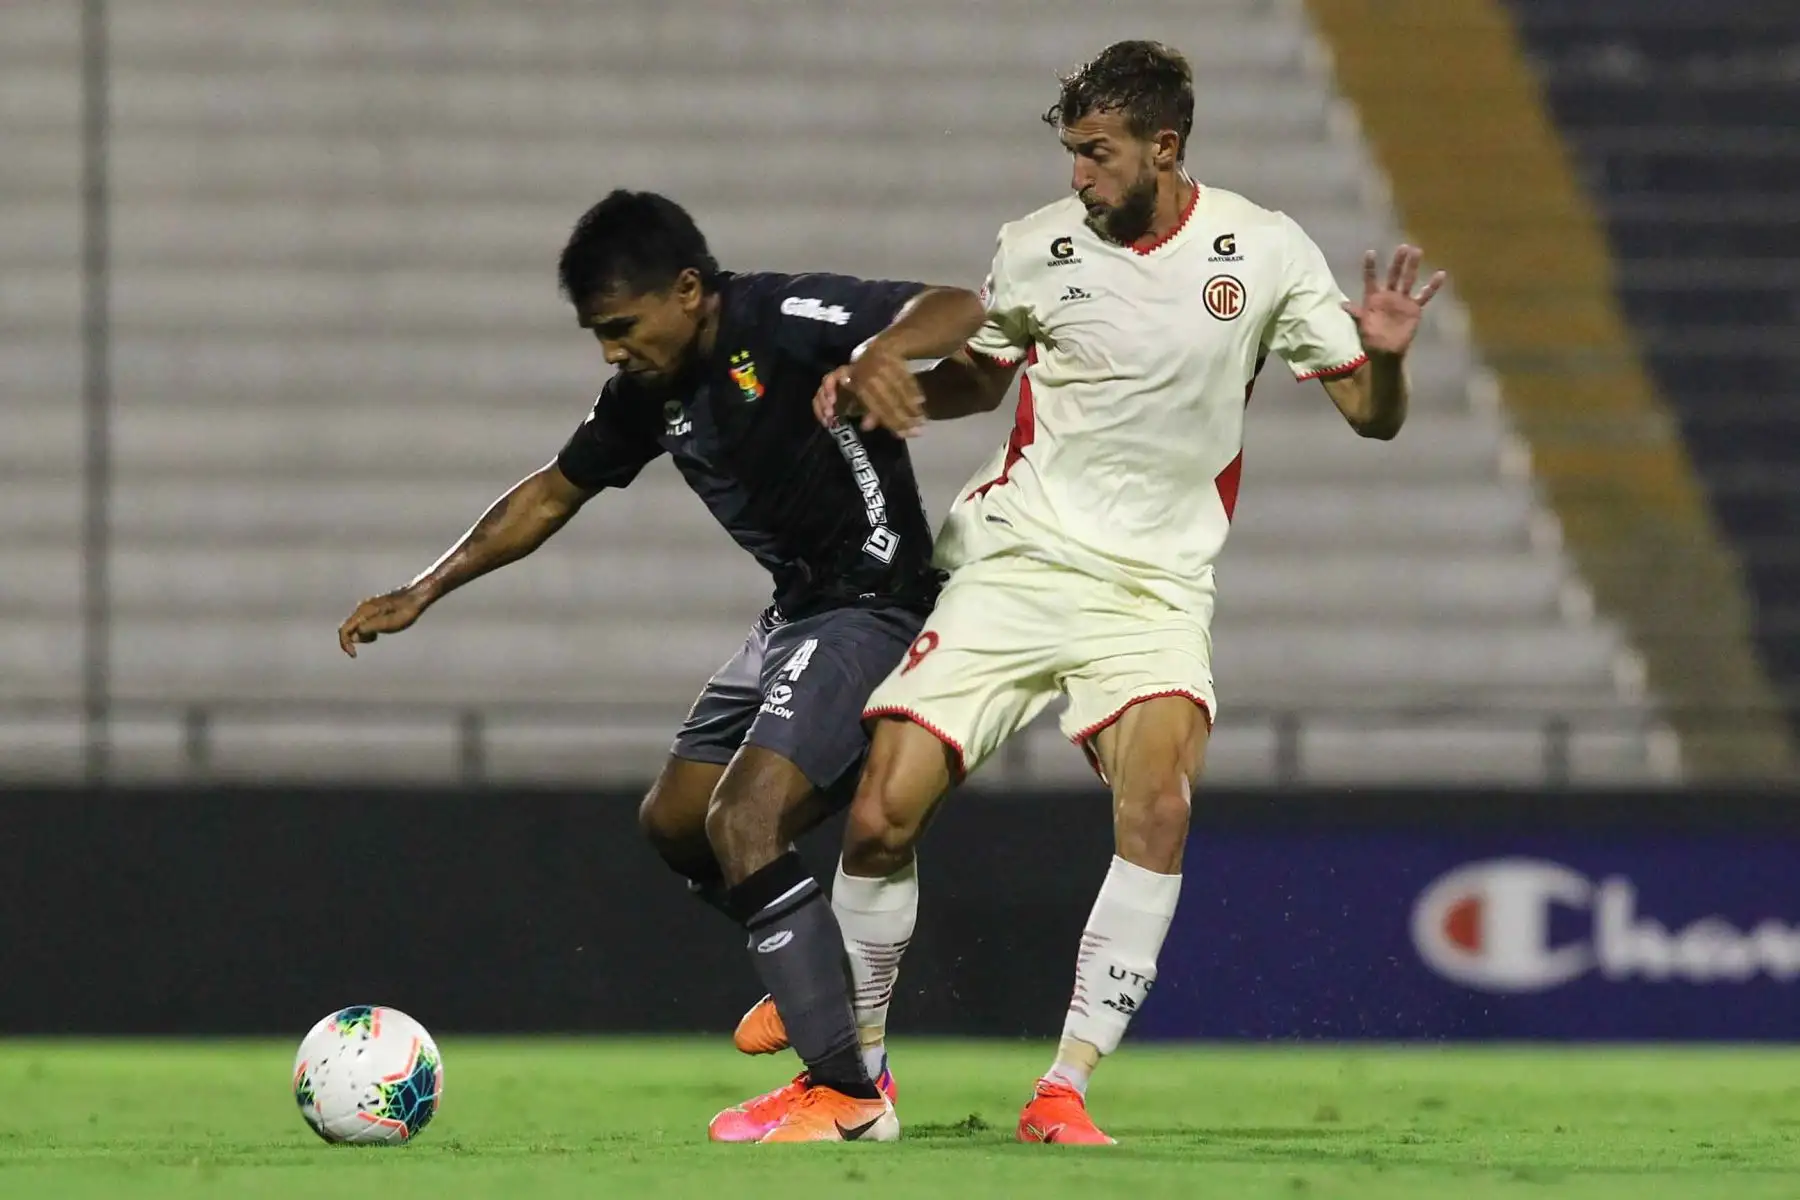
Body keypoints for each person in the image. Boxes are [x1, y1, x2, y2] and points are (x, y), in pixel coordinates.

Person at [723, 40, 1448, 1144]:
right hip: (1015, 563)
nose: (1079, 176)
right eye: (1071, 154)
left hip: (1152, 589)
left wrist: (1385, 356)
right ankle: (857, 1083)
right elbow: (987, 371)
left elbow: (1372, 415)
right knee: (879, 815)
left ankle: (1062, 1088)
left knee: (1158, 806)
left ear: (1166, 146)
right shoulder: (1036, 246)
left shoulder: (1262, 250)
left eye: (1098, 154)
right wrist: (893, 390)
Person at [337, 189, 988, 1144]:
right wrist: (426, 589)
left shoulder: (781, 317)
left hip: (871, 604)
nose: (610, 350)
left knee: (744, 816)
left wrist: (884, 352)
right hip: (796, 612)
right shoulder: (648, 392)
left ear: (688, 290)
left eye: (620, 327)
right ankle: (819, 974)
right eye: (598, 333)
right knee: (678, 822)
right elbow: (554, 492)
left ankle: (849, 1095)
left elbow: (957, 308)